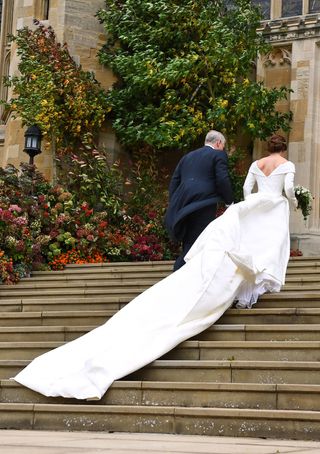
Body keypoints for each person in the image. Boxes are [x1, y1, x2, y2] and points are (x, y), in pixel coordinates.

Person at [13, 134, 297, 401]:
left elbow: (230, 188)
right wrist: (283, 202)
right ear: (220, 144)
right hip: (234, 207)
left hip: (191, 207)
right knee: (252, 246)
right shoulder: (236, 159)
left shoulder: (203, 159)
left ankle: (188, 276)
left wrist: (226, 208)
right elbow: (272, 189)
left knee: (194, 250)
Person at [165, 130, 234, 271]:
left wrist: (174, 202)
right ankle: (179, 269)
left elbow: (174, 181)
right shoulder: (218, 154)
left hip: (183, 204)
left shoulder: (187, 157)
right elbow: (222, 179)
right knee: (201, 238)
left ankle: (186, 272)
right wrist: (229, 201)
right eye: (223, 145)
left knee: (190, 240)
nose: (223, 148)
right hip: (205, 202)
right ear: (219, 143)